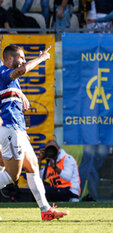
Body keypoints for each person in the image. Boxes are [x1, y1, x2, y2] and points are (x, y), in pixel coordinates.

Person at [0, 45, 68, 220]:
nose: (23, 60)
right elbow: (22, 70)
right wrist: (42, 57)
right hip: (10, 129)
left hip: (17, 129)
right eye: (20, 57)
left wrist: (21, 95)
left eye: (24, 58)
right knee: (12, 175)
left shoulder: (11, 80)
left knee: (33, 167)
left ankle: (45, 210)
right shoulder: (4, 73)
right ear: (8, 59)